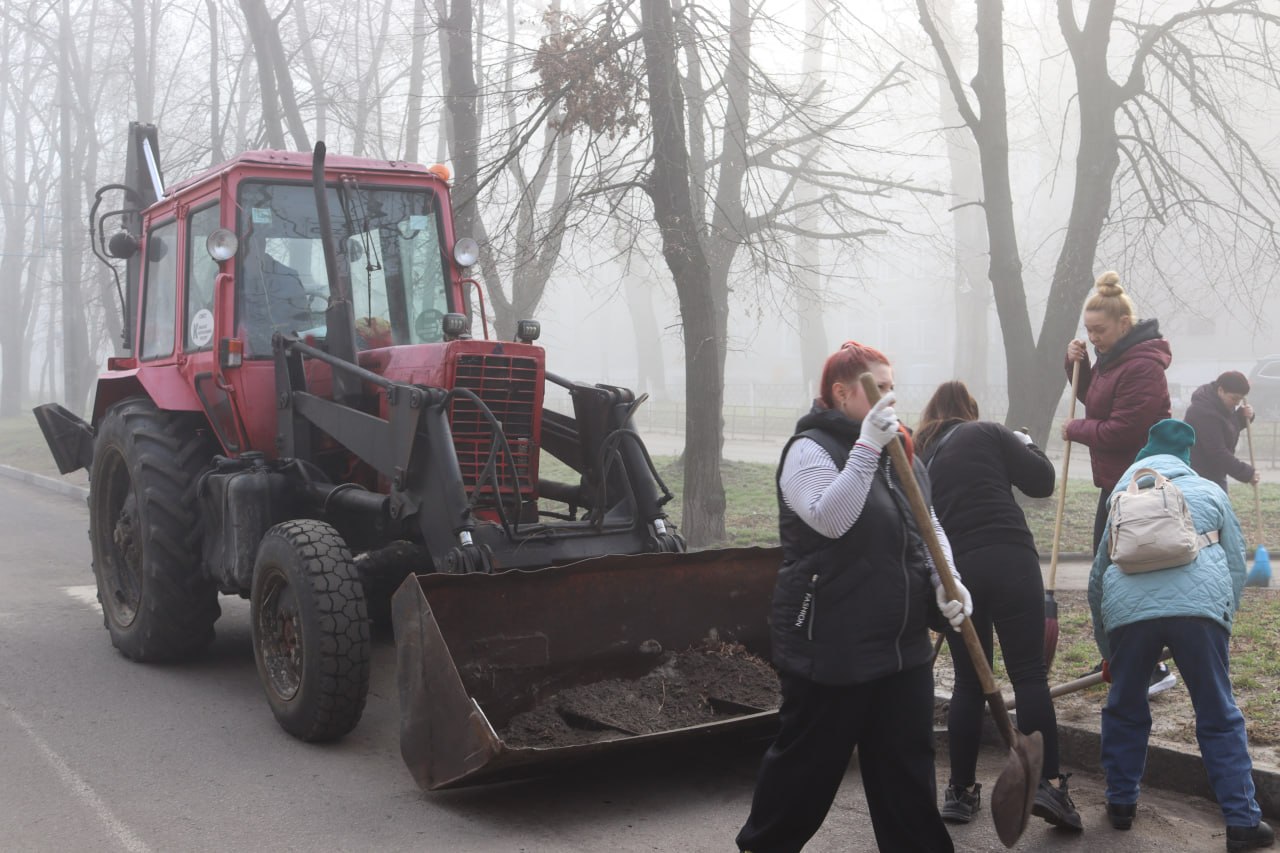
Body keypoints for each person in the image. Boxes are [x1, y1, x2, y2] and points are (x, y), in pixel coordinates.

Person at [736, 341, 972, 853]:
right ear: (842, 394)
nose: (891, 400)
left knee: (907, 773)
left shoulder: (901, 453)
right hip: (831, 644)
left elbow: (926, 525)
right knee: (807, 770)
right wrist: (865, 449)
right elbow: (830, 519)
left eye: (892, 387)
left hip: (900, 645)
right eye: (878, 389)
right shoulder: (810, 450)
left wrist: (947, 581)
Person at [1087, 419, 1274, 850]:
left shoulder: (1121, 495)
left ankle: (1120, 805)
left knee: (1125, 708)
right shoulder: (1210, 491)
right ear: (1186, 459)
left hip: (1127, 617)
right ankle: (1243, 822)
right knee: (1218, 713)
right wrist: (1221, 621)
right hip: (1199, 613)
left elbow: (1098, 579)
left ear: (1145, 456)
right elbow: (1232, 567)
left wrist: (1108, 651)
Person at [916, 381, 1082, 831]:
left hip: (955, 571)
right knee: (1029, 674)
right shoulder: (987, 431)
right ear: (969, 410)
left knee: (970, 684)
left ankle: (960, 792)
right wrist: (1027, 442)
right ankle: (1048, 784)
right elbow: (1042, 483)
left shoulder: (917, 454)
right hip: (1009, 556)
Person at [1064, 270, 1176, 695]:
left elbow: (1125, 430)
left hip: (1139, 486)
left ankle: (1150, 667)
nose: (1093, 337)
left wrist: (1076, 429)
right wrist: (1076, 364)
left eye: (1100, 330)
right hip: (1115, 484)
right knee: (1107, 572)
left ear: (1124, 326)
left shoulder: (1143, 367)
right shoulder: (1114, 360)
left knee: (1122, 574)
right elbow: (1095, 399)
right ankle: (1124, 656)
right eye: (1088, 331)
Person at [1184, 370, 1259, 494]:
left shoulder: (1220, 406)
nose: (1237, 403)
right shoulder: (1203, 412)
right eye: (1234, 398)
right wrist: (1246, 473)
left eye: (1240, 399)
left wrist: (1242, 416)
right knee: (1212, 512)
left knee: (1221, 510)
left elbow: (1225, 428)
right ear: (1220, 390)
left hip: (1215, 471)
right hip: (1199, 475)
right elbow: (1217, 452)